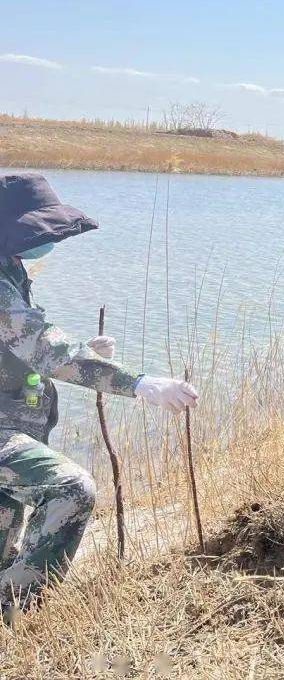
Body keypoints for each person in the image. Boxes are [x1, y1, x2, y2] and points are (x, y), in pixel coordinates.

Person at [0, 173, 199, 617]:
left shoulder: (9, 266)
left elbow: (18, 346)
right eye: (37, 230)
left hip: (12, 425)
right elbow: (43, 347)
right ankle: (14, 612)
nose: (45, 242)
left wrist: (84, 354)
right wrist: (139, 383)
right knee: (70, 488)